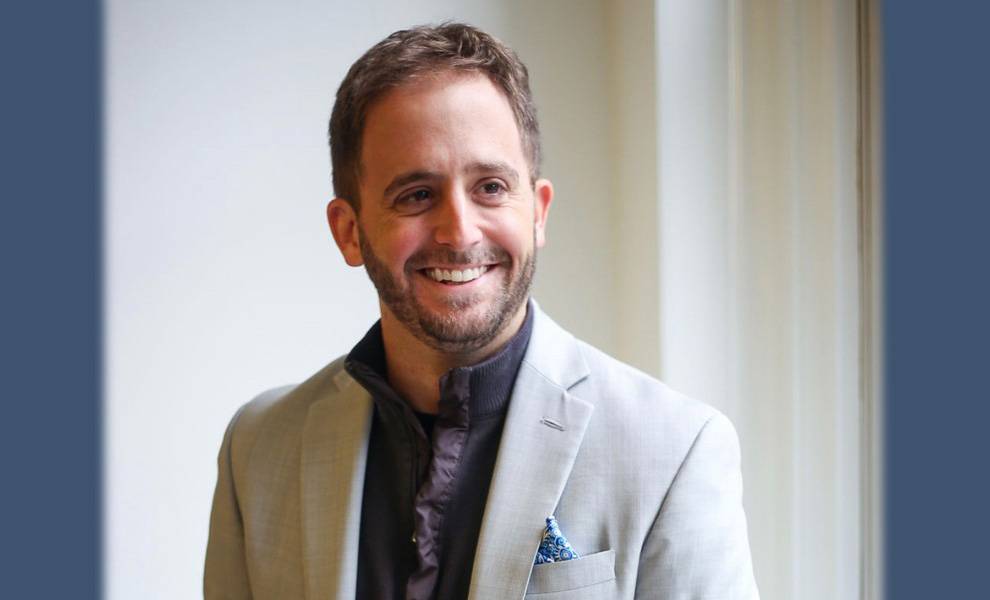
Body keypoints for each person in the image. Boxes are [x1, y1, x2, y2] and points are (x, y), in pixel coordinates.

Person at [204, 22, 759, 600]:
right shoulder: (257, 449)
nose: (459, 231)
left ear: (538, 213)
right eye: (416, 194)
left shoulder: (674, 450)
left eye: (491, 186)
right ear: (349, 231)